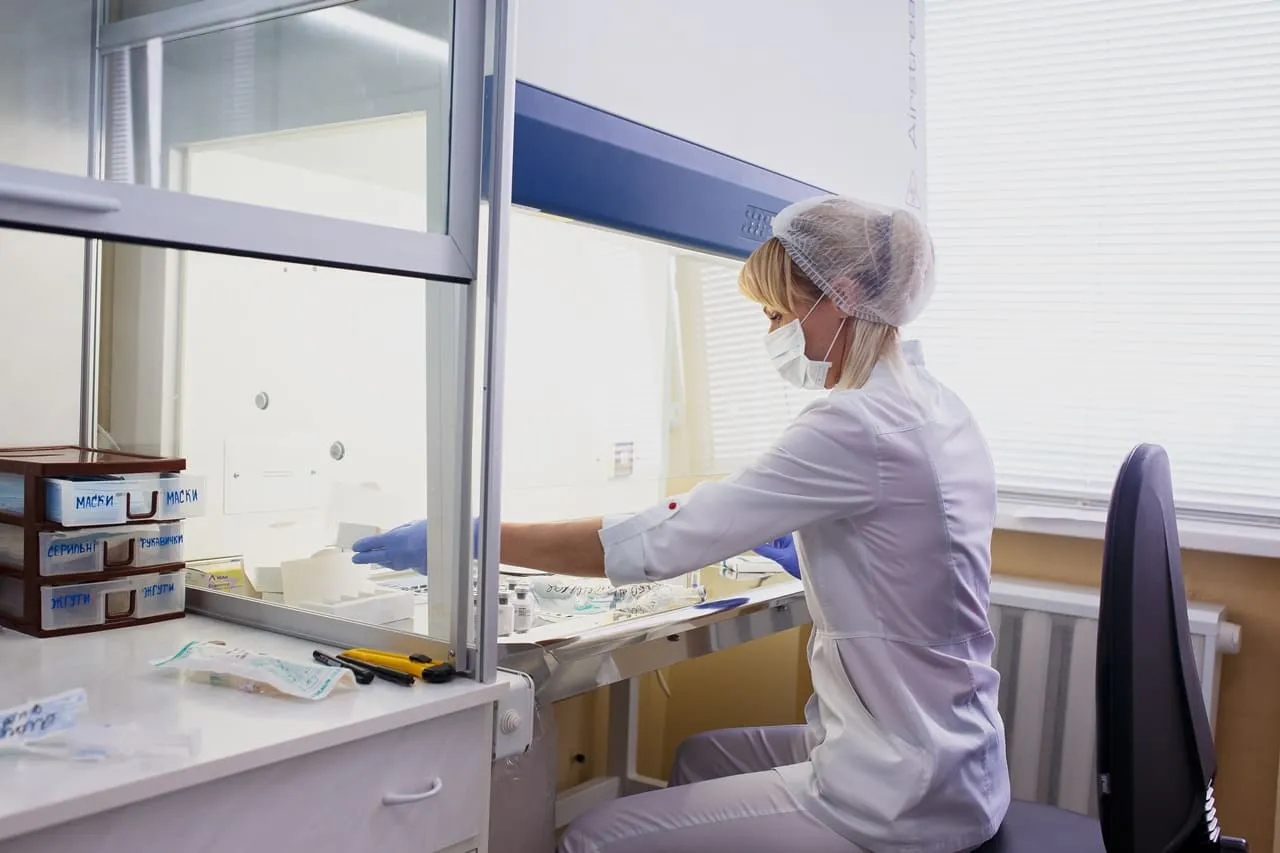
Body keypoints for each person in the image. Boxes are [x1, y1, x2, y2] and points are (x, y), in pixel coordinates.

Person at [351, 196, 1010, 853]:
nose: (772, 333)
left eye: (777, 313)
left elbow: (660, 540)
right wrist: (815, 553)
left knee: (593, 838)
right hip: (955, 756)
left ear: (841, 297)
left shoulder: (854, 423)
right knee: (700, 757)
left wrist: (474, 538)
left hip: (899, 794)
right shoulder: (936, 405)